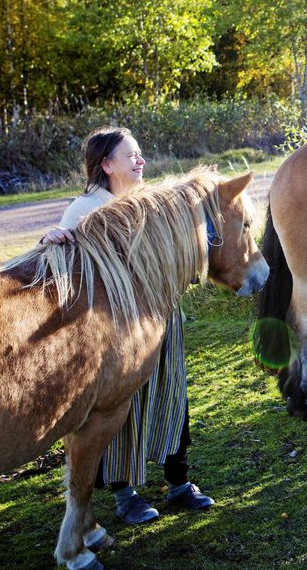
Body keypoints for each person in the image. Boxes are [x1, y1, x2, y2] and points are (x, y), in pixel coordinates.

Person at [42, 127, 214, 522]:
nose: (141, 161)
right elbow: (57, 256)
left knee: (174, 400)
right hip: (118, 334)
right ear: (106, 165)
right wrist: (53, 238)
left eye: (140, 154)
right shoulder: (86, 209)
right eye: (131, 155)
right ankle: (126, 494)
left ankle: (179, 483)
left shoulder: (145, 202)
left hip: (162, 322)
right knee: (123, 411)